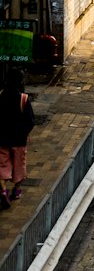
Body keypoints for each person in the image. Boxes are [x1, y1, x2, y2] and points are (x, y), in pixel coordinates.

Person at [0, 69, 35, 207]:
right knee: (19, 165)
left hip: (2, 139)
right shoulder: (23, 99)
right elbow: (30, 121)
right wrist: (24, 134)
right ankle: (17, 190)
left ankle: (3, 191)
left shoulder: (1, 96)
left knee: (2, 166)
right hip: (19, 140)